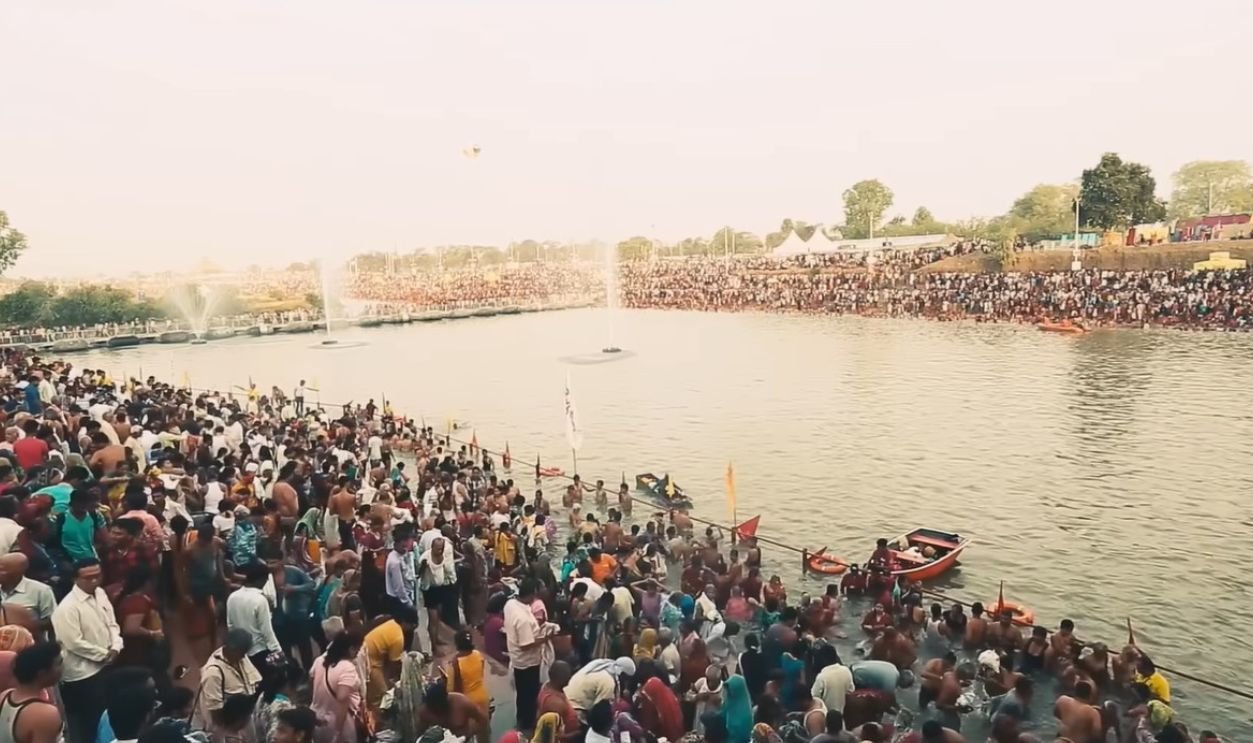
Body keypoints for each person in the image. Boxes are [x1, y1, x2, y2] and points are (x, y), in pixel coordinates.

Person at [51, 558, 122, 743]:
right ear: (76, 579)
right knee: (88, 722)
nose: (93, 581)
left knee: (107, 715)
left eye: (97, 576)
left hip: (106, 665)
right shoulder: (67, 608)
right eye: (87, 578)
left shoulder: (100, 594)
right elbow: (74, 643)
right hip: (84, 674)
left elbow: (112, 623)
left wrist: (115, 646)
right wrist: (104, 655)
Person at [504, 578, 555, 732]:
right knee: (530, 695)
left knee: (522, 693)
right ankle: (527, 724)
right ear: (532, 594)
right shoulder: (523, 619)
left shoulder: (511, 604)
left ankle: (522, 719)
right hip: (528, 662)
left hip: (518, 660)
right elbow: (526, 644)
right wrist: (546, 637)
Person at [195, 628, 262, 743]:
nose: (243, 657)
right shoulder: (213, 673)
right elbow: (215, 713)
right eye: (241, 653)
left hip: (243, 722)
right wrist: (231, 732)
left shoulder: (240, 657)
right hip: (230, 728)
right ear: (232, 649)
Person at [363, 605, 418, 727]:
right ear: (405, 622)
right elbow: (394, 665)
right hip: (369, 662)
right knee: (382, 696)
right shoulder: (398, 637)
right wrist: (390, 682)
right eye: (412, 626)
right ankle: (377, 726)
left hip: (369, 656)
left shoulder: (391, 624)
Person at [225, 561, 281, 678]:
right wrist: (277, 651)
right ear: (263, 579)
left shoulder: (232, 597)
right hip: (259, 651)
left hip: (241, 651)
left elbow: (230, 625)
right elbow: (266, 630)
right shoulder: (260, 600)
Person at [0, 641, 63, 743]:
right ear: (42, 673)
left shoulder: (5, 695)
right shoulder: (45, 714)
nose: (62, 668)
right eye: (58, 663)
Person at [310, 631, 363, 743]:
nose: (358, 654)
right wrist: (338, 732)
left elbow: (311, 680)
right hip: (340, 722)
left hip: (317, 717)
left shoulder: (319, 661)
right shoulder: (347, 667)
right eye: (357, 650)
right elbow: (342, 698)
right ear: (350, 649)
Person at [442, 630, 490, 742]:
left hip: (467, 702)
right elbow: (481, 674)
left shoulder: (455, 663)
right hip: (482, 697)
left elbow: (453, 689)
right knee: (484, 730)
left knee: (467, 734)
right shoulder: (478, 655)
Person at [0, 554, 55, 638]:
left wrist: (25, 624)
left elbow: (53, 620)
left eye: (2, 570)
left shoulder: (40, 590)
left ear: (19, 571)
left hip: (29, 644)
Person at [538, 660, 579, 741]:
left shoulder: (548, 685)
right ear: (561, 679)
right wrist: (577, 734)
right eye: (568, 675)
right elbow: (554, 736)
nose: (570, 677)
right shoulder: (555, 704)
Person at [810, 644, 854, 714]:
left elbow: (814, 697)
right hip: (843, 714)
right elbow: (851, 691)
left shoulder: (822, 677)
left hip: (826, 716)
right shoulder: (846, 670)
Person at [721, 675, 754, 743]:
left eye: (730, 689)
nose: (728, 692)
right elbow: (721, 716)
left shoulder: (746, 713)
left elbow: (744, 735)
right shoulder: (729, 702)